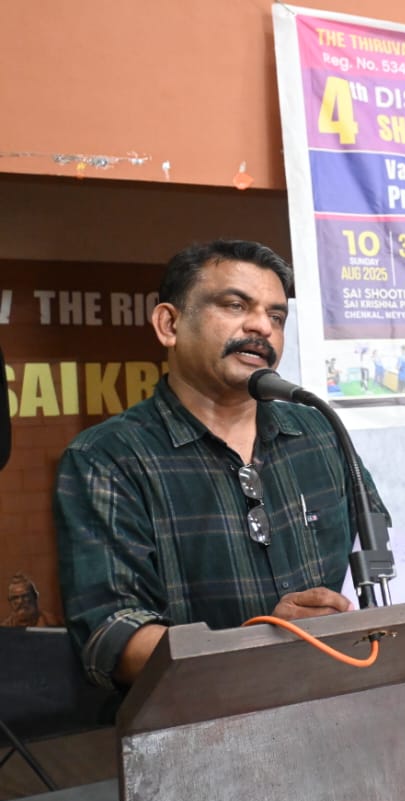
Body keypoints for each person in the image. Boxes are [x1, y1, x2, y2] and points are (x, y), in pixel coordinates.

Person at [54, 240, 388, 689]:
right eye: (235, 305)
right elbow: (112, 638)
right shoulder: (107, 457)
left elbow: (382, 555)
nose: (262, 327)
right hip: (199, 719)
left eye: (276, 316)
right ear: (169, 324)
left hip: (340, 695)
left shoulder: (319, 433)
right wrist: (263, 644)